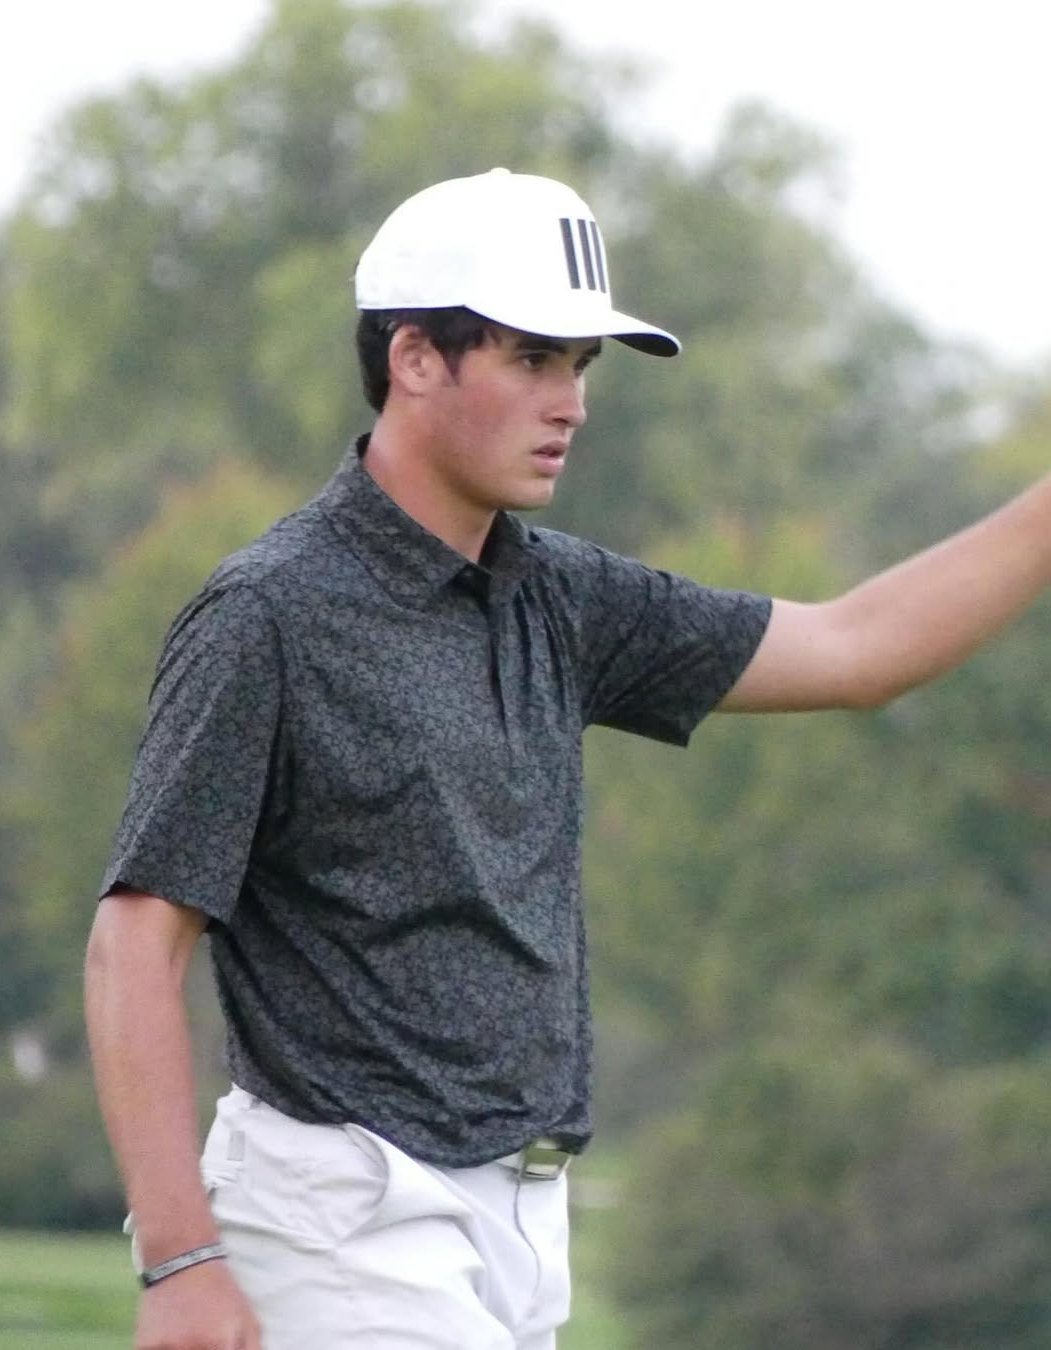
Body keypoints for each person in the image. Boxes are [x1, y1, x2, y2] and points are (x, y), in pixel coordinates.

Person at [84, 167, 1051, 1350]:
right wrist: (181, 1256)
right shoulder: (266, 615)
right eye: (534, 359)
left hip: (521, 1226)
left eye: (580, 367)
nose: (572, 404)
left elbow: (859, 650)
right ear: (414, 357)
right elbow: (137, 941)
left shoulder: (561, 598)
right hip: (340, 1216)